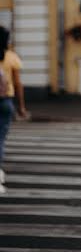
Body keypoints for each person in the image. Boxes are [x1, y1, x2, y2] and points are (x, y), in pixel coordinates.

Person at [0, 26, 27, 193]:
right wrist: (21, 107)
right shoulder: (11, 57)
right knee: (0, 138)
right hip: (5, 102)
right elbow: (18, 84)